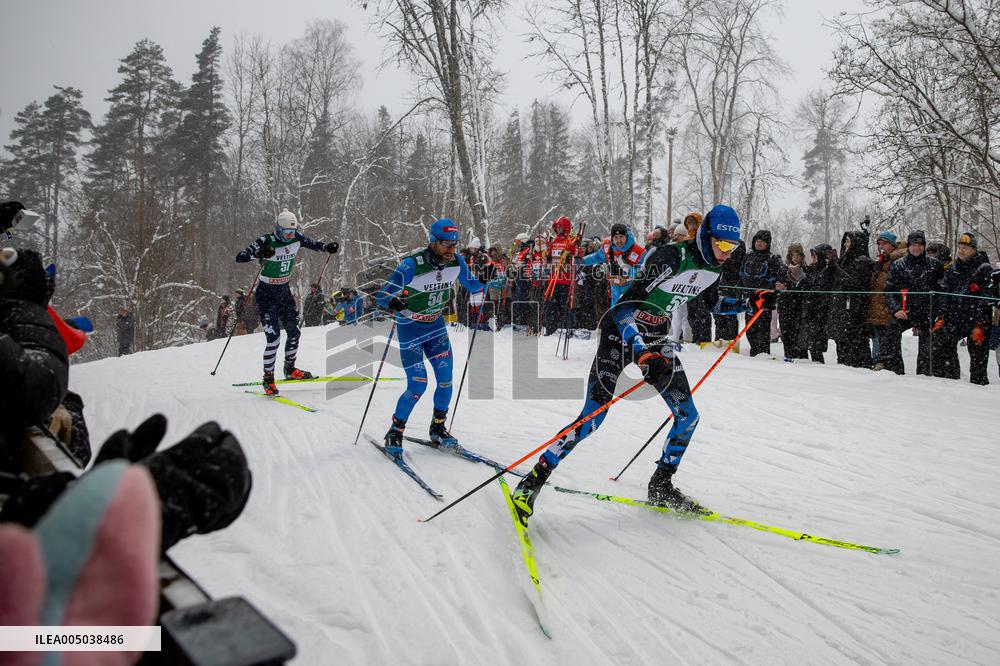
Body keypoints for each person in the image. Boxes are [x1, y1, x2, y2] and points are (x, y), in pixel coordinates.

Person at [510, 205, 773, 522]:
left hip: (656, 339)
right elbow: (623, 310)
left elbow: (713, 302)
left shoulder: (714, 268)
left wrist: (750, 302)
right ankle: (532, 482)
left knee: (688, 417)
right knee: (592, 419)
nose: (726, 252)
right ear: (705, 236)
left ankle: (661, 485)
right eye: (721, 244)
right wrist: (641, 351)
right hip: (620, 335)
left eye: (732, 247)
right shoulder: (670, 257)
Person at [375, 219, 486, 457]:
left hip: (436, 327)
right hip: (410, 329)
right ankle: (395, 430)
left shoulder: (456, 261)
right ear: (434, 241)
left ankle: (438, 428)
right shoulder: (411, 265)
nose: (452, 249)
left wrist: (486, 279)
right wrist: (392, 301)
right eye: (447, 244)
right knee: (418, 384)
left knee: (446, 381)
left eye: (455, 244)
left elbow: (472, 285)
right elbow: (382, 295)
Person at [235, 209, 339, 394]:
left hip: (283, 292)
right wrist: (259, 253)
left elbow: (314, 244)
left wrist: (326, 247)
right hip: (266, 294)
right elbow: (240, 257)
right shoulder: (266, 240)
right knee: (273, 338)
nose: (290, 236)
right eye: (287, 232)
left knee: (294, 332)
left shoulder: (296, 238)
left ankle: (290, 369)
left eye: (293, 232)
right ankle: (268, 378)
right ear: (278, 229)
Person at [932, 232, 994, 384]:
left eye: (965, 248)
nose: (961, 251)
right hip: (954, 318)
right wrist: (941, 316)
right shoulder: (953, 268)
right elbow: (944, 293)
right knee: (941, 345)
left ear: (974, 249)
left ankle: (978, 386)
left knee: (978, 355)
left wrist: (980, 324)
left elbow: (987, 298)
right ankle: (949, 382)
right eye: (959, 247)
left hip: (976, 319)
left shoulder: (983, 268)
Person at [884, 230, 944, 376]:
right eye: (913, 245)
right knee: (891, 334)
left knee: (929, 345)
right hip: (905, 311)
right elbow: (889, 290)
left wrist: (937, 313)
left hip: (927, 312)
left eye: (920, 244)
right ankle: (895, 372)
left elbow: (942, 291)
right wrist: (896, 309)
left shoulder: (934, 265)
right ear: (908, 246)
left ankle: (924, 375)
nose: (917, 248)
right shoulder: (898, 265)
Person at [828, 230, 874, 367]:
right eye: (845, 241)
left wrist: (835, 267)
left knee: (856, 342)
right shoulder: (843, 260)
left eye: (849, 241)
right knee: (841, 342)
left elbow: (854, 283)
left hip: (854, 308)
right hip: (840, 307)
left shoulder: (863, 261)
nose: (846, 245)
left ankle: (859, 367)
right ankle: (843, 364)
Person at [738, 230, 786, 356]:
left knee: (762, 329)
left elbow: (781, 276)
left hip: (764, 299)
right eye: (757, 241)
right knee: (750, 329)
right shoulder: (748, 256)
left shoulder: (773, 258)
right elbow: (741, 274)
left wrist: (775, 286)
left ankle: (763, 354)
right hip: (749, 298)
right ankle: (754, 352)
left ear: (767, 244)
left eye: (762, 242)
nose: (759, 244)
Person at [867, 231, 906, 373]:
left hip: (889, 308)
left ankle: (891, 367)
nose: (881, 246)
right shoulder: (880, 261)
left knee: (890, 341)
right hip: (877, 307)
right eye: (879, 244)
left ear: (891, 244)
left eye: (884, 243)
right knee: (878, 339)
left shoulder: (897, 261)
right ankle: (878, 362)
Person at [581, 222, 646, 306]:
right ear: (612, 237)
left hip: (631, 290)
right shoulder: (607, 245)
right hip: (614, 288)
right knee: (614, 312)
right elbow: (598, 256)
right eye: (616, 237)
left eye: (621, 237)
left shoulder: (638, 251)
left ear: (626, 236)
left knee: (626, 314)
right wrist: (582, 261)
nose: (619, 240)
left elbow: (643, 272)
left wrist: (627, 271)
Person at [543, 216, 580, 335]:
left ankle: (567, 329)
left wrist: (571, 256)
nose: (558, 229)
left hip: (566, 279)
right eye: (557, 227)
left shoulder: (571, 240)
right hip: (553, 279)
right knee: (551, 306)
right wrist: (548, 257)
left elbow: (578, 257)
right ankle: (551, 328)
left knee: (566, 306)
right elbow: (549, 256)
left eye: (560, 226)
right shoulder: (555, 241)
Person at [799, 244, 836, 363]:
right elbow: (807, 286)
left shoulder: (828, 270)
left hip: (820, 311)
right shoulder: (811, 269)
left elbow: (821, 289)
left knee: (816, 346)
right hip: (808, 309)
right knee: (805, 342)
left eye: (815, 256)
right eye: (812, 256)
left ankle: (818, 368)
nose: (813, 258)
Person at [778, 243, 808, 360]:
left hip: (800, 309)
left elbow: (805, 288)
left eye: (797, 255)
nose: (794, 258)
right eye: (792, 255)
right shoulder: (783, 269)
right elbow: (779, 284)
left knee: (799, 337)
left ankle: (801, 360)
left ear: (802, 256)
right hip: (785, 307)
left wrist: (796, 281)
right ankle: (788, 358)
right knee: (786, 336)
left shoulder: (806, 269)